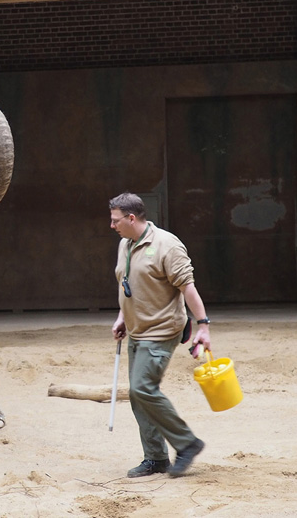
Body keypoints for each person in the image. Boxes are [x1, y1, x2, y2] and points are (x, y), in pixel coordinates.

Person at [108, 192, 211, 478]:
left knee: (143, 388)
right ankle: (155, 458)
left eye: (116, 220)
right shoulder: (124, 245)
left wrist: (203, 325)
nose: (112, 225)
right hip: (137, 330)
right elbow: (127, 283)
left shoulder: (167, 245)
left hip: (162, 328)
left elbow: (187, 287)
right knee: (139, 396)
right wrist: (122, 317)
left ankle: (187, 443)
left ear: (131, 218)